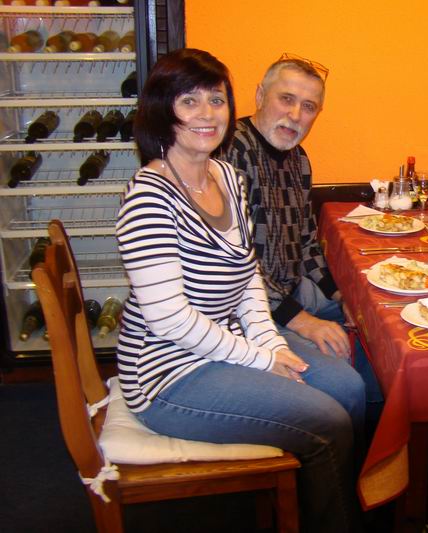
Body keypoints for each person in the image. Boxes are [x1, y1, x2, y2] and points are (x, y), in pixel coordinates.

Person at [115, 48, 365, 533]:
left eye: (216, 100)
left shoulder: (226, 177)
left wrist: (271, 342)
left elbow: (248, 273)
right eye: (189, 101)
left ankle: (325, 501)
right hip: (167, 375)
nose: (207, 114)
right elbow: (170, 321)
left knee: (349, 389)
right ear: (163, 111)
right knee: (328, 421)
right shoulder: (147, 198)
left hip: (228, 340)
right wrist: (262, 359)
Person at [223, 54, 383, 413]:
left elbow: (308, 241)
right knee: (346, 386)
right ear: (260, 94)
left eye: (308, 107)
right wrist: (303, 322)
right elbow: (235, 268)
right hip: (247, 311)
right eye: (286, 99)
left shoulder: (298, 159)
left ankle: (378, 432)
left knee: (376, 319)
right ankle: (351, 423)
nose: (295, 115)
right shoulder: (230, 154)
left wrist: (340, 295)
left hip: (292, 289)